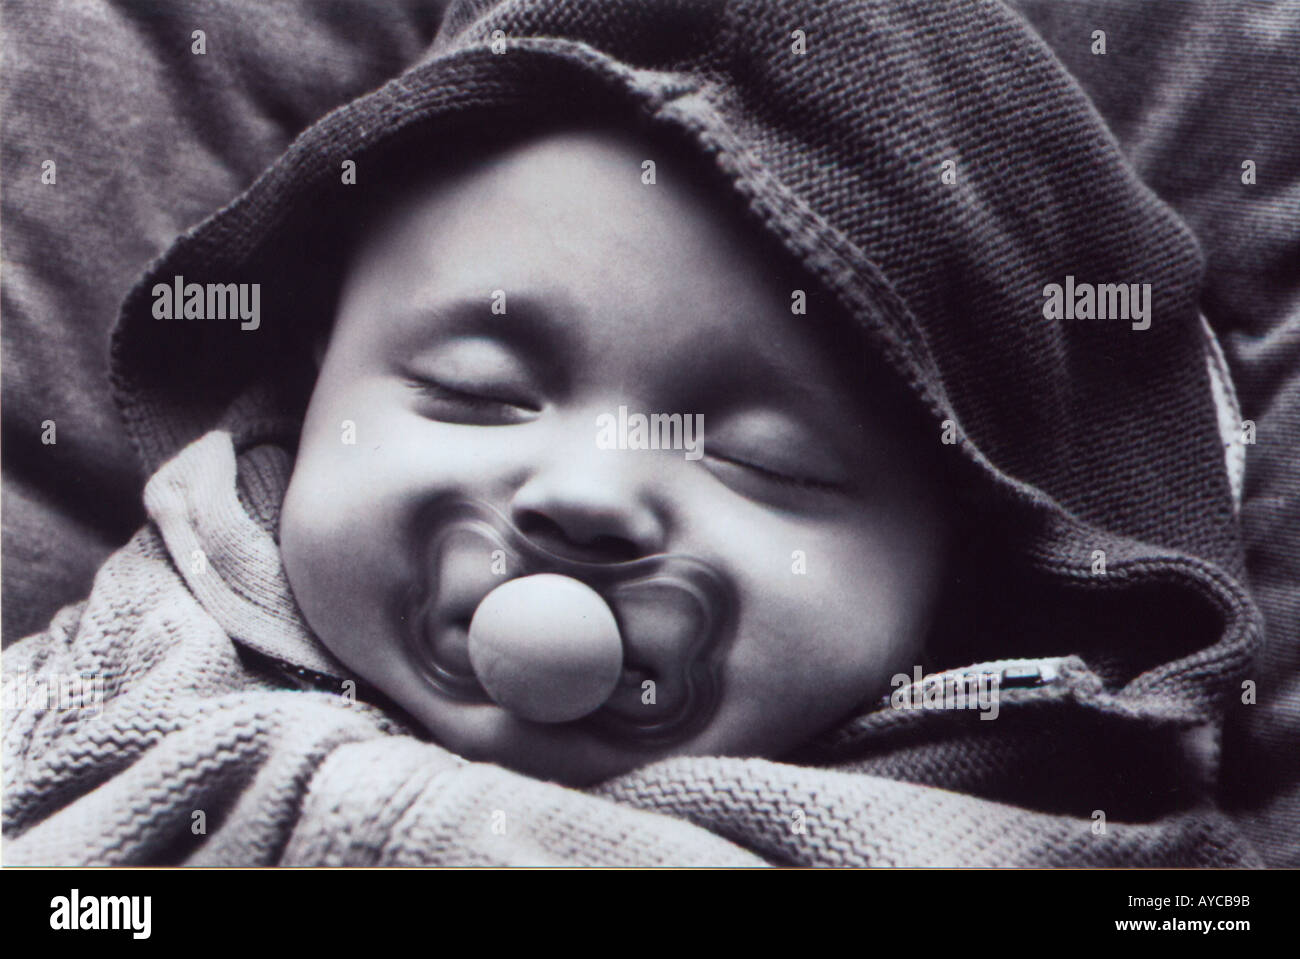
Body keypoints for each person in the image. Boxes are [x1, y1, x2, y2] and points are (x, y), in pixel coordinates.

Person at [1, 0, 1262, 866]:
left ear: (961, 557)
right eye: (476, 391)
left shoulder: (1033, 829)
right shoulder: (137, 655)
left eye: (761, 458)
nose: (589, 494)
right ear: (315, 379)